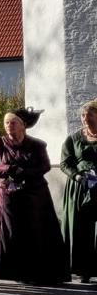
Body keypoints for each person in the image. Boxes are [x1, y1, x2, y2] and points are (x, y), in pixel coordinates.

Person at [0, 108, 69, 286]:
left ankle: (35, 271)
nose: (9, 126)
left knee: (34, 230)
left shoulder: (37, 145)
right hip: (7, 193)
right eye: (6, 122)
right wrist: (8, 169)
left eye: (13, 122)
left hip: (34, 194)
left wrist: (25, 173)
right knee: (9, 230)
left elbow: (44, 166)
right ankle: (9, 270)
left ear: (23, 126)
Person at [61, 99, 97, 284]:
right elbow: (65, 163)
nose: (85, 118)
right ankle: (83, 270)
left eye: (89, 115)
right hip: (80, 188)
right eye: (83, 115)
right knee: (81, 229)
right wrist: (76, 176)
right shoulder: (74, 138)